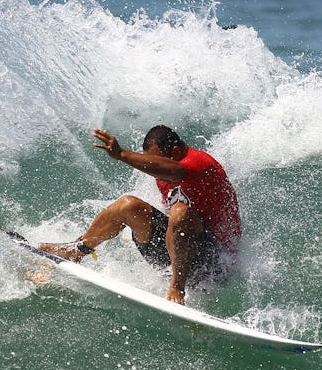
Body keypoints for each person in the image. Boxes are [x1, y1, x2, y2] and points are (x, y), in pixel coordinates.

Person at [37, 125, 241, 305]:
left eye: (156, 159)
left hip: (215, 265)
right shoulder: (164, 174)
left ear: (176, 151)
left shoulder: (199, 163)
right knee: (128, 205)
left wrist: (122, 155)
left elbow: (175, 173)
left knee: (180, 212)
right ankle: (77, 251)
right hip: (183, 255)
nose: (152, 165)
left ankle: (177, 289)